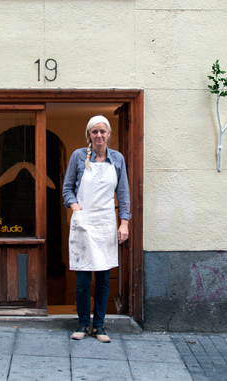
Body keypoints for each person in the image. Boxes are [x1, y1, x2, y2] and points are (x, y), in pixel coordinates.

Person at [62, 115, 131, 343]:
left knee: (103, 278)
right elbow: (67, 189)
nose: (99, 135)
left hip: (105, 225)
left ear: (109, 134)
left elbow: (123, 193)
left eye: (103, 131)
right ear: (88, 135)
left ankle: (99, 326)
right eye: (94, 132)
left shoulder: (117, 159)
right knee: (83, 280)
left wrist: (124, 223)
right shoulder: (78, 157)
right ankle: (83, 323)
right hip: (83, 224)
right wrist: (77, 208)